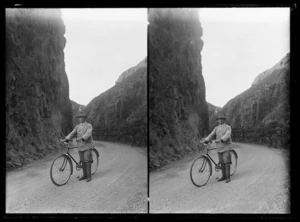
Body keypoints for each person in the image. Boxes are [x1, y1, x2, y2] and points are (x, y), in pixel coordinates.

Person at [61, 111, 94, 182]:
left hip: (87, 145)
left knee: (87, 160)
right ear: (78, 119)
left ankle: (89, 176)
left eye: (82, 117)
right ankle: (84, 175)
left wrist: (82, 138)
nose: (81, 119)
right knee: (82, 160)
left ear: (85, 118)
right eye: (79, 118)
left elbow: (88, 133)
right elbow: (72, 133)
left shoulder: (89, 125)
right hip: (80, 146)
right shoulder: (77, 126)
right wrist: (67, 139)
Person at [203, 113, 233, 183]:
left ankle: (228, 177)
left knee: (226, 161)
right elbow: (211, 134)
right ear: (218, 120)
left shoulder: (228, 127)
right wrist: (206, 140)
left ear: (224, 120)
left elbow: (228, 134)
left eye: (221, 119)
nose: (220, 120)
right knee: (221, 161)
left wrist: (223, 139)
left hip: (226, 146)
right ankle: (223, 176)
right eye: (219, 119)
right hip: (219, 147)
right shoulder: (216, 128)